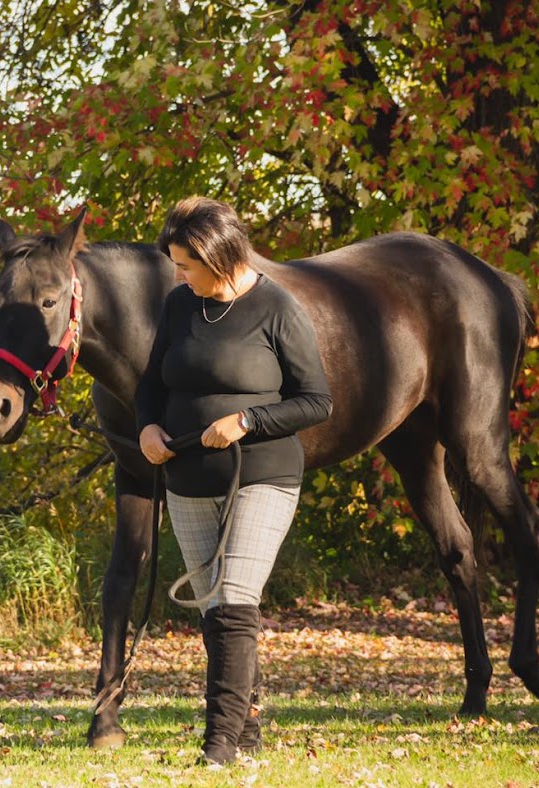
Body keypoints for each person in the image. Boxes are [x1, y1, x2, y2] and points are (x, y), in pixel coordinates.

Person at [135, 196, 333, 764]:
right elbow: (151, 382)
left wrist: (248, 420)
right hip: (185, 477)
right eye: (175, 264)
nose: (178, 276)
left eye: (186, 265)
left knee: (235, 602)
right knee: (215, 615)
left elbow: (316, 400)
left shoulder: (278, 308)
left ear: (218, 258)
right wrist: (148, 426)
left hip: (263, 475)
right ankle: (247, 729)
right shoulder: (179, 306)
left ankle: (218, 745)